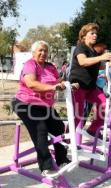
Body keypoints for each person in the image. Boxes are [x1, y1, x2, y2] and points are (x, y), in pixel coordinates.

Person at [11, 40, 71, 179]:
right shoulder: (30, 64)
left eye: (45, 50)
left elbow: (57, 81)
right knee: (41, 130)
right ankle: (46, 166)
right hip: (25, 103)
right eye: (40, 50)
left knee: (59, 128)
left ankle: (62, 160)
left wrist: (68, 84)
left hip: (44, 105)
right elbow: (31, 84)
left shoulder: (50, 67)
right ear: (33, 53)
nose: (43, 53)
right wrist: (52, 88)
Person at [68, 23, 111, 138]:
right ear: (84, 35)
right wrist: (101, 57)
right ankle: (66, 138)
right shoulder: (81, 47)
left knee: (106, 106)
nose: (95, 35)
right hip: (78, 86)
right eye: (92, 33)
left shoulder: (94, 52)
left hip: (90, 87)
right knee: (78, 114)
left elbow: (98, 66)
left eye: (96, 33)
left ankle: (93, 129)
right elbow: (83, 61)